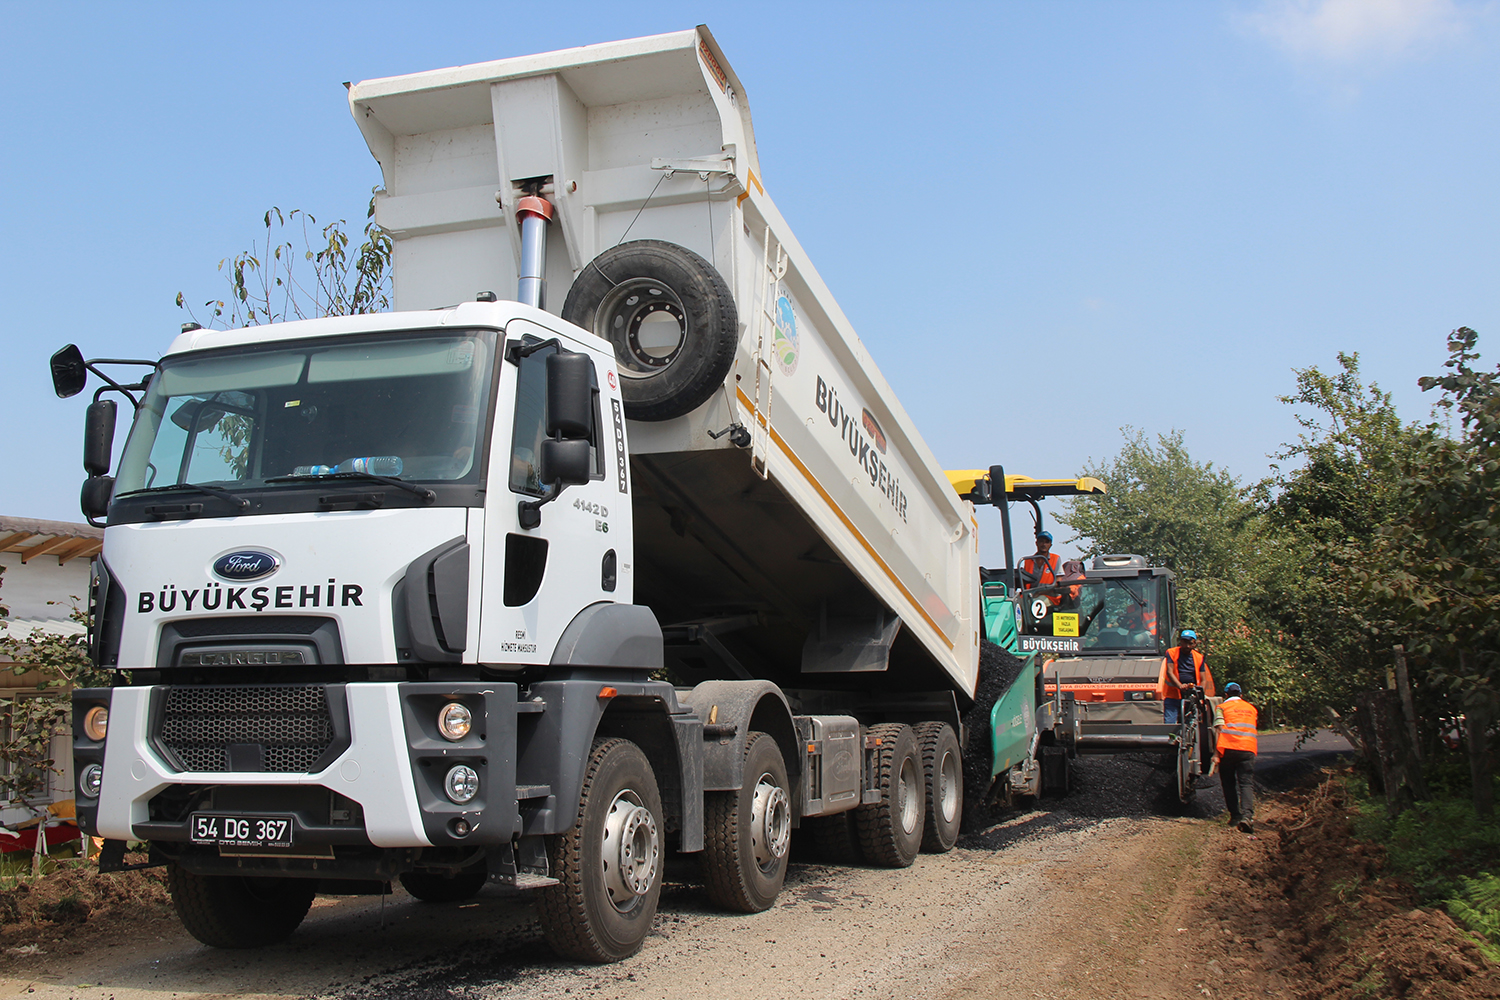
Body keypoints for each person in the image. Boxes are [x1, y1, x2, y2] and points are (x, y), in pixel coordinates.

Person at [1213, 681, 1259, 833]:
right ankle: (1247, 817)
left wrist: (1216, 754)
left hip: (1228, 749)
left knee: (1228, 783)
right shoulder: (1251, 709)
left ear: (1225, 695)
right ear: (1241, 695)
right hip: (1248, 749)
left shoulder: (1222, 707)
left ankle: (1235, 817)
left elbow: (1219, 728)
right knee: (1246, 784)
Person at [1162, 628, 1213, 724]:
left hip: (1191, 696)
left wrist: (1199, 693)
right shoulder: (1171, 653)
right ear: (1180, 642)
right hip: (1173, 695)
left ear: (1194, 644)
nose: (1187, 646)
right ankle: (1172, 737)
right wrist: (1180, 686)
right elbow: (1170, 672)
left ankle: (1188, 737)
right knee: (1170, 723)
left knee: (1191, 723)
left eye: (1190, 643)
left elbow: (1203, 679)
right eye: (1184, 642)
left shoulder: (1199, 657)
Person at [1021, 532, 1063, 606]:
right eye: (1041, 541)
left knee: (1033, 604)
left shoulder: (1056, 559)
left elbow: (1058, 582)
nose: (1044, 544)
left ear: (1050, 545)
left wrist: (1040, 592)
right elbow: (1024, 582)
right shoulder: (1028, 560)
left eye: (1047, 542)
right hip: (1030, 595)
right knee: (1015, 605)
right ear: (1036, 543)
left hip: (1049, 596)